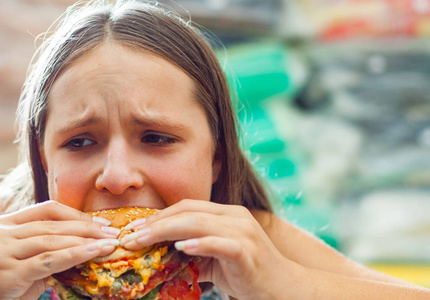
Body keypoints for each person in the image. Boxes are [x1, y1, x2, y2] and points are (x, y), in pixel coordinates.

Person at [0, 0, 429, 299]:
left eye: (156, 138)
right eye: (79, 142)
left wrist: (286, 285)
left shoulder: (255, 246)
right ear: (44, 159)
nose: (116, 176)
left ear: (216, 156)